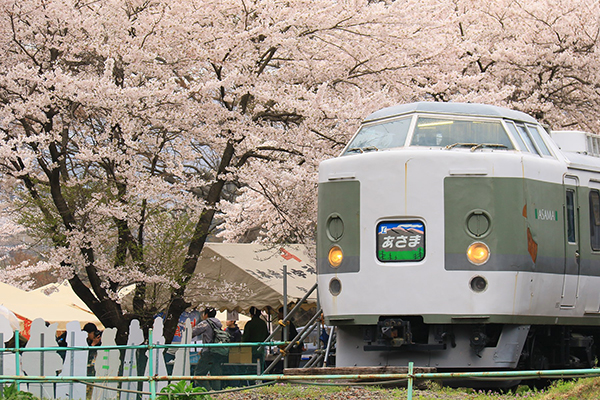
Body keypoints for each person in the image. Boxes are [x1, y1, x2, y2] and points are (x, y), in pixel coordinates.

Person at [192, 308, 228, 391]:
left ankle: (208, 390)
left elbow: (193, 332)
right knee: (215, 375)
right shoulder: (218, 324)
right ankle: (216, 393)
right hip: (218, 352)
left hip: (208, 353)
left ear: (206, 315)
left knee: (198, 374)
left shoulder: (205, 323)